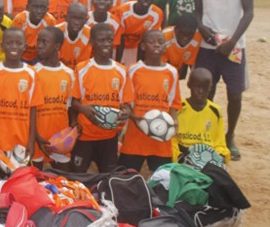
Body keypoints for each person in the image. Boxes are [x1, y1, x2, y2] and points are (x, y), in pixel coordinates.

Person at [192, 0, 254, 161]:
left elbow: (249, 12)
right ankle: (206, 133)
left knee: (235, 95)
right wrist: (201, 27)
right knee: (205, 92)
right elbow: (197, 11)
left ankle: (230, 137)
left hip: (233, 48)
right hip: (207, 47)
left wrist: (231, 42)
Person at [70, 23, 132, 173]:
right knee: (78, 174)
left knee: (108, 175)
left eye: (109, 40)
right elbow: (73, 101)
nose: (106, 44)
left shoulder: (121, 71)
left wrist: (126, 112)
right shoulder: (82, 68)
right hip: (85, 134)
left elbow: (126, 103)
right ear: (92, 42)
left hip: (109, 136)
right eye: (101, 40)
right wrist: (83, 108)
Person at [119, 30, 182, 172]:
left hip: (161, 137)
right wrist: (136, 119)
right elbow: (126, 102)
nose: (156, 45)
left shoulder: (172, 72)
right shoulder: (133, 70)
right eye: (151, 42)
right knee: (125, 176)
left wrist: (174, 121)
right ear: (142, 46)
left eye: (160, 42)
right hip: (136, 135)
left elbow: (173, 102)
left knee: (163, 177)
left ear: (165, 47)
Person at [0, 27, 43, 161]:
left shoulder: (31, 73)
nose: (14, 46)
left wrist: (31, 141)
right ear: (2, 46)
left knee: (19, 174)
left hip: (22, 142)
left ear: (25, 47)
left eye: (18, 43)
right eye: (9, 43)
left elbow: (33, 109)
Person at [34, 27, 75, 170]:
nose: (39, 45)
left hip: (60, 137)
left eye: (44, 42)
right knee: (35, 176)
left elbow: (70, 105)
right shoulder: (33, 72)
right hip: (37, 137)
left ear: (57, 46)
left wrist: (74, 125)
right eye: (38, 41)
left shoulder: (69, 74)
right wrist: (36, 136)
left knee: (63, 176)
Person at [172, 67, 230, 162]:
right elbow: (172, 140)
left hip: (207, 156)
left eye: (205, 87)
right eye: (197, 87)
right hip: (183, 154)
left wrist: (220, 156)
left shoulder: (215, 111)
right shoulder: (179, 108)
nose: (200, 91)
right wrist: (179, 156)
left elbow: (219, 142)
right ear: (189, 85)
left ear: (210, 88)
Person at [116, 0, 163, 66]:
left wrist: (140, 64)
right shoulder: (122, 11)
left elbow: (148, 40)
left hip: (137, 48)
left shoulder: (157, 13)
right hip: (120, 47)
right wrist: (117, 63)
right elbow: (120, 39)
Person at [11, 0, 56, 64]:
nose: (39, 11)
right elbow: (14, 43)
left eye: (43, 8)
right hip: (21, 56)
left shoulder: (50, 21)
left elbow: (51, 45)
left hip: (39, 57)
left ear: (47, 9)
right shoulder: (20, 20)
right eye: (35, 7)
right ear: (27, 7)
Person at [55, 3, 92, 69]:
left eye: (80, 19)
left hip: (81, 71)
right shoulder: (56, 32)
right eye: (73, 18)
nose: (76, 22)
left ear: (86, 20)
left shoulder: (90, 34)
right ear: (66, 17)